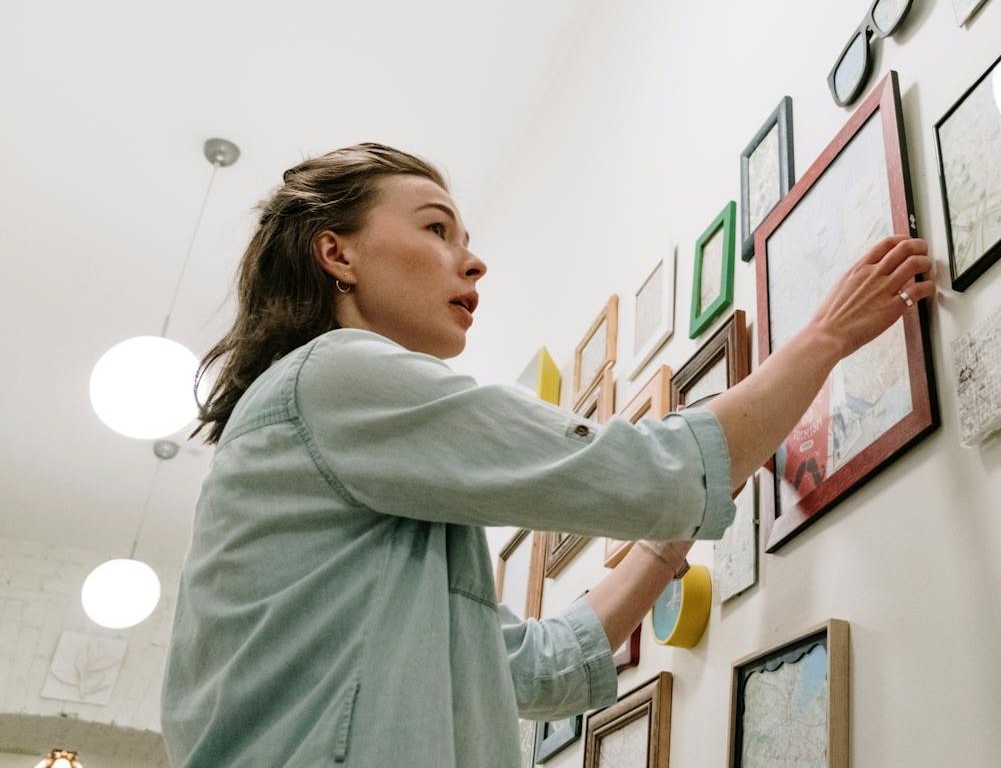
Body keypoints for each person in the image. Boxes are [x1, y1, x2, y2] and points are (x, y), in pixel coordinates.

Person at [160, 143, 935, 767]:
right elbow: (638, 469)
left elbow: (541, 667)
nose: (472, 262)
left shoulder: (378, 488)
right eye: (436, 230)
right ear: (337, 253)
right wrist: (826, 335)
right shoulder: (333, 375)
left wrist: (675, 537)